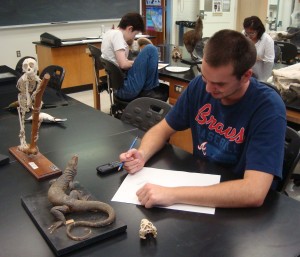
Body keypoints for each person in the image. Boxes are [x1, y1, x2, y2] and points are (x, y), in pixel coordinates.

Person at [119, 29, 286, 209]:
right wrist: (142, 155)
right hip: (203, 184)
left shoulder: (268, 108)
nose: (208, 89)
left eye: (219, 84)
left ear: (246, 76)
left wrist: (172, 194)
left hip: (239, 210)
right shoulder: (199, 86)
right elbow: (162, 129)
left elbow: (253, 191)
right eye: (206, 78)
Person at [101, 12, 168, 101]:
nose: (133, 37)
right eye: (135, 34)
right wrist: (139, 63)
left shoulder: (109, 33)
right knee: (151, 49)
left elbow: (121, 62)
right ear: (130, 28)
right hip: (126, 88)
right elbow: (123, 64)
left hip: (118, 86)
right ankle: (149, 90)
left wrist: (139, 63)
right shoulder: (117, 35)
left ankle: (149, 90)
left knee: (146, 55)